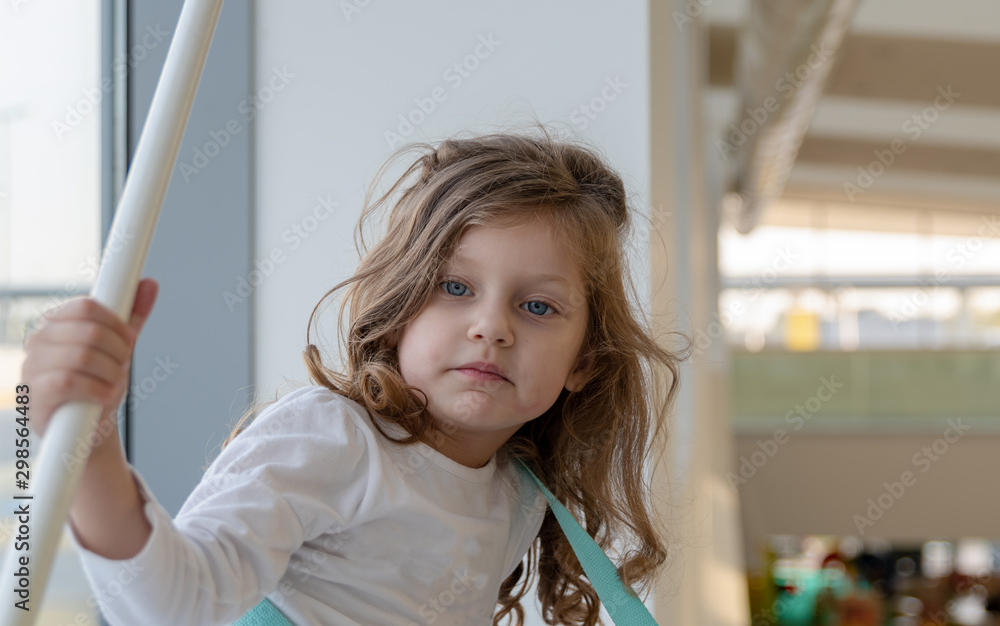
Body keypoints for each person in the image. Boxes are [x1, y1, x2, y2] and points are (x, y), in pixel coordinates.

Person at [21, 125, 686, 625]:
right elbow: (170, 605)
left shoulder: (517, 495)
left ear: (584, 362)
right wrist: (91, 446)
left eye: (538, 306)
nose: (491, 326)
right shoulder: (332, 439)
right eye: (455, 287)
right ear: (397, 314)